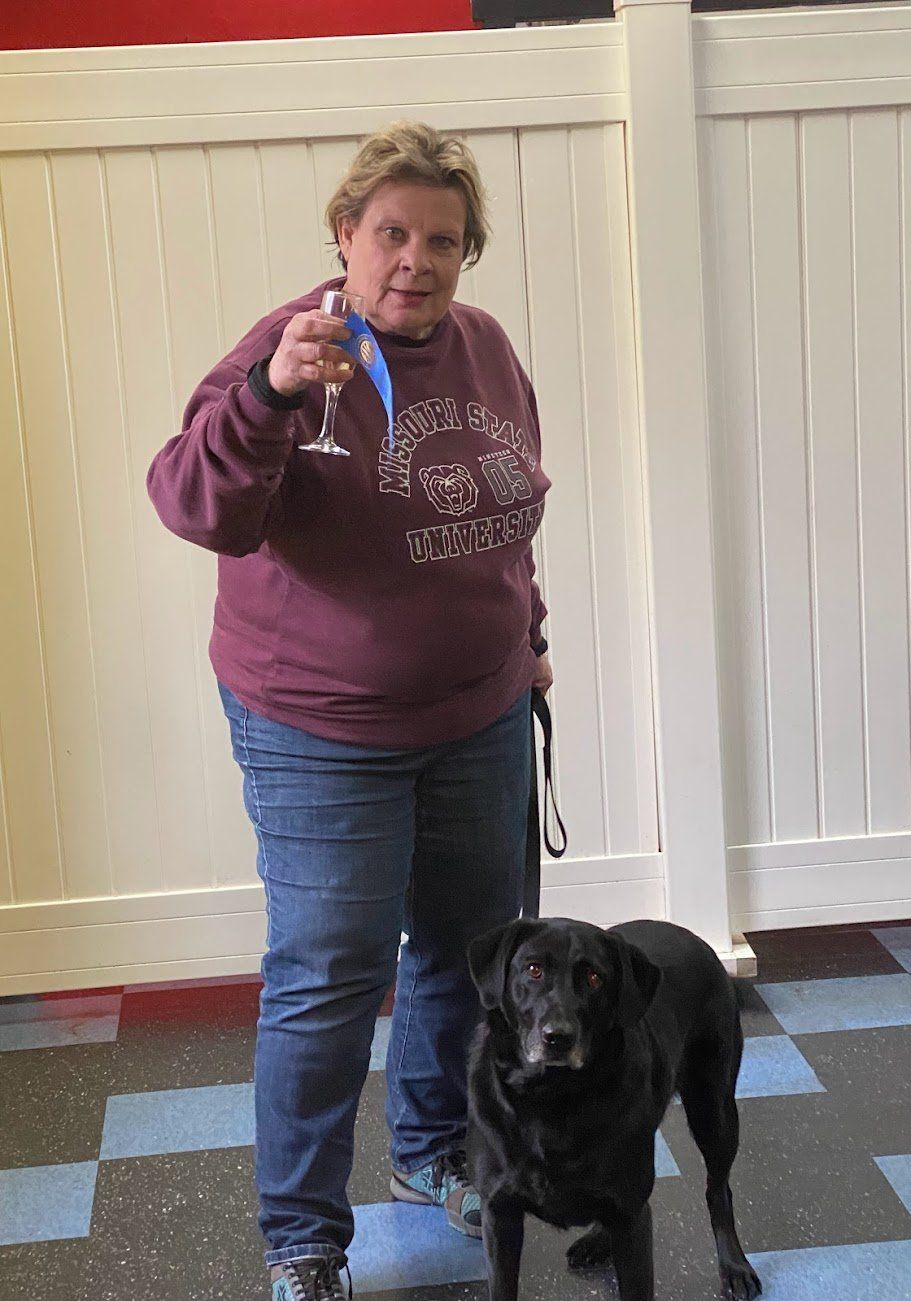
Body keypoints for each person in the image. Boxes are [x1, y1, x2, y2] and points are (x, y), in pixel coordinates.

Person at [146, 120, 552, 1301]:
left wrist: (528, 639)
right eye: (391, 233)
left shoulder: (484, 347)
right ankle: (304, 1239)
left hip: (478, 709)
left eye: (444, 240)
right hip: (322, 725)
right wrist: (270, 392)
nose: (415, 260)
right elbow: (194, 502)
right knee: (329, 977)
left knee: (471, 953)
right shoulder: (296, 350)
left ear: (468, 252)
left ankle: (433, 1154)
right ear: (344, 234)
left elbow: (504, 511)